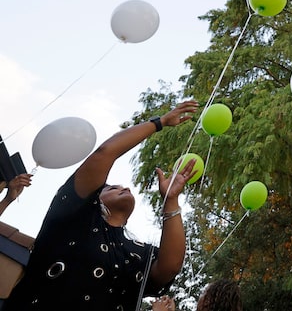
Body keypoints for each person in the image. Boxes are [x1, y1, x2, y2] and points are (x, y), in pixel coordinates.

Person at [5, 100, 200, 310]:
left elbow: (169, 267)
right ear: (96, 200)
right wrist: (159, 122)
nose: (124, 188)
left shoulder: (138, 253)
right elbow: (105, 154)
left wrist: (170, 200)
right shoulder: (74, 216)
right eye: (112, 187)